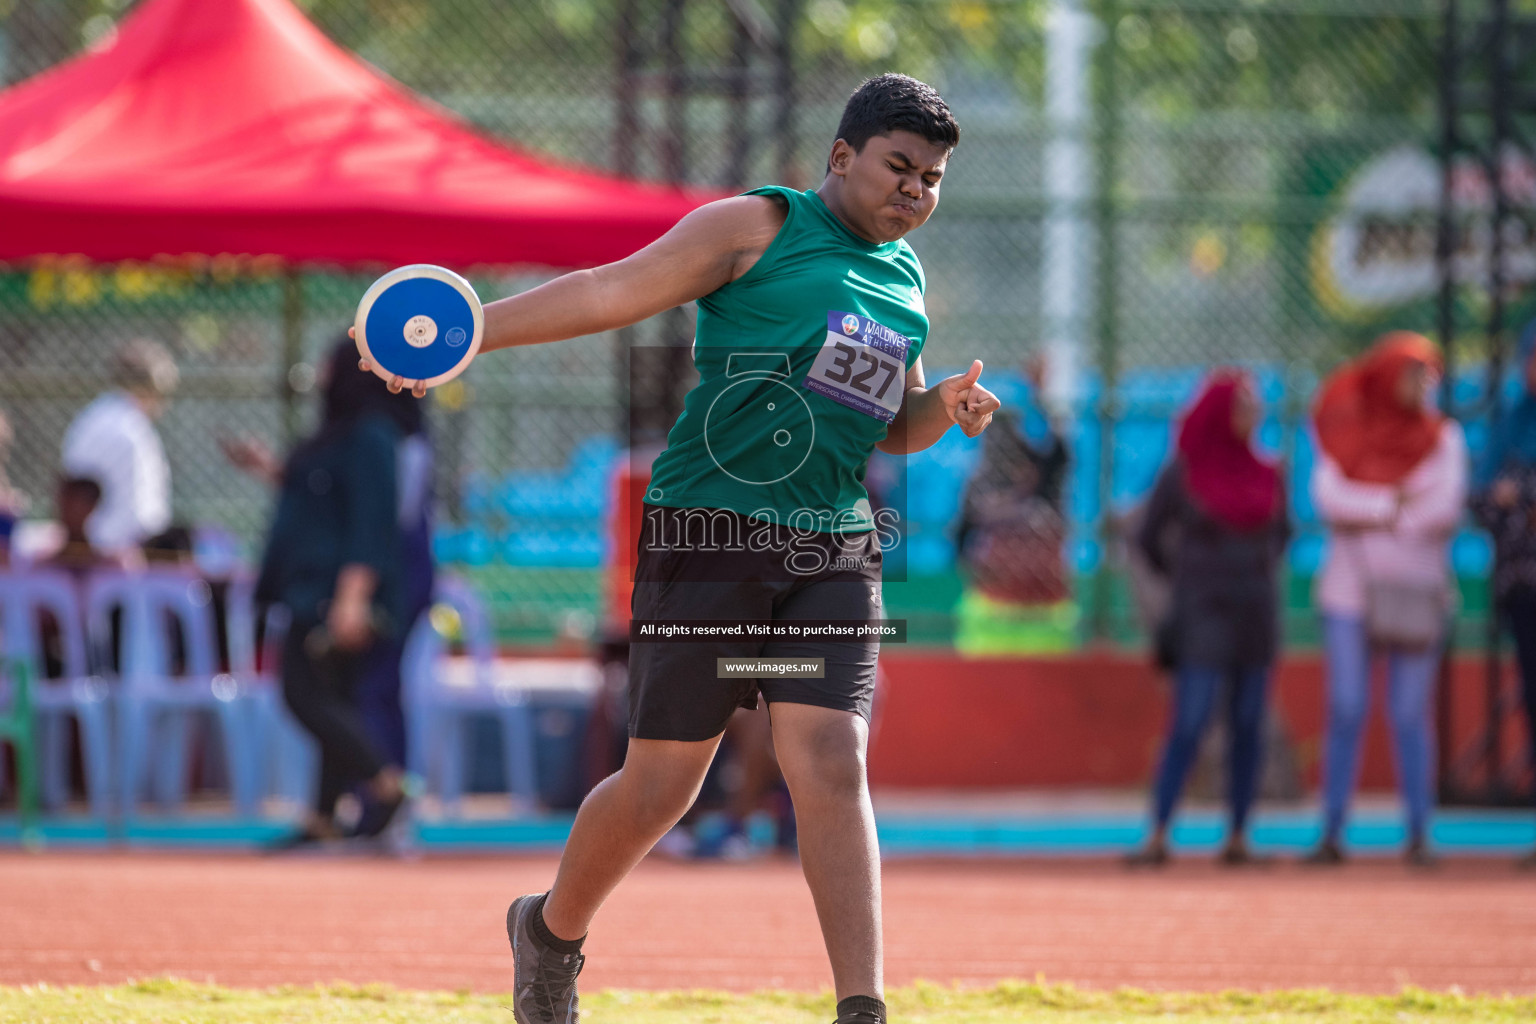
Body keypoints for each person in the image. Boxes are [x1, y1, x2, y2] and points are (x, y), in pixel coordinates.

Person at [359, 73, 995, 1024]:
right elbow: (613, 290)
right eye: (900, 168)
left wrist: (937, 409)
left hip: (831, 546)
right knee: (665, 781)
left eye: (933, 179)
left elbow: (884, 423)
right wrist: (466, 337)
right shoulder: (755, 228)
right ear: (840, 157)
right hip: (712, 536)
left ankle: (862, 1006)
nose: (916, 192)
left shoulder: (903, 282)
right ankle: (550, 931)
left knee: (830, 755)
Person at [1307, 332, 1467, 867]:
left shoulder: (1443, 439)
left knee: (1407, 712)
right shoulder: (1345, 432)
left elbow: (1444, 508)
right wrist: (1393, 506)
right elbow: (1329, 496)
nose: (1421, 386)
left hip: (1419, 594)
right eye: (1411, 373)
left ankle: (1420, 833)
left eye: (1428, 376)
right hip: (1349, 593)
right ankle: (1332, 832)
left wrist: (1370, 508)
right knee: (1347, 706)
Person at [1125, 371, 1290, 866]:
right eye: (1241, 407)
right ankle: (1158, 832)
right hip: (1203, 615)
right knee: (1191, 720)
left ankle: (1238, 836)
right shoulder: (1185, 471)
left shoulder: (1268, 472)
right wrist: (1189, 578)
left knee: (1248, 723)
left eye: (1254, 408)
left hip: (1255, 615)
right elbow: (1148, 537)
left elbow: (1283, 535)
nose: (1251, 417)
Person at [255, 341, 411, 847]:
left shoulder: (372, 434)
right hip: (311, 585)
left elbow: (371, 523)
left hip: (334, 592)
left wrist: (353, 597)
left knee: (302, 692)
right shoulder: (340, 435)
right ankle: (323, 817)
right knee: (333, 694)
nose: (321, 373)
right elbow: (319, 492)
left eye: (331, 363)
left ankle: (386, 783)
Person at [1469, 322, 1536, 870]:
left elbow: (1510, 495)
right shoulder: (1511, 424)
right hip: (1524, 588)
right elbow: (1482, 498)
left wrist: (1522, 494)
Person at [953, 354, 1073, 654]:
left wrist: (1039, 395)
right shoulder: (982, 487)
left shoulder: (1044, 484)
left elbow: (1058, 456)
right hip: (994, 608)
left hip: (1044, 611)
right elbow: (961, 539)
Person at [60, 339, 178, 558]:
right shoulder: (133, 430)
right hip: (120, 556)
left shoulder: (90, 417)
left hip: (83, 546)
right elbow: (144, 516)